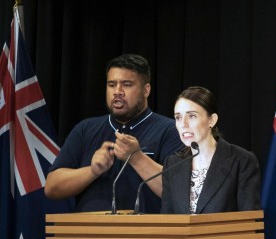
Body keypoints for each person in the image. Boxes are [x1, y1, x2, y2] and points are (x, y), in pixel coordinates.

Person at [45, 54, 183, 213]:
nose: (117, 91)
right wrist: (92, 171)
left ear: (146, 90)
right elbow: (51, 187)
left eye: (127, 84)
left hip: (147, 235)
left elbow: (179, 193)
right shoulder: (85, 129)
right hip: (89, 234)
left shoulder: (171, 130)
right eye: (112, 84)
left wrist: (137, 157)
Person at [160, 86, 261, 214]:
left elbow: (249, 221)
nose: (183, 124)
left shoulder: (241, 161)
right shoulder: (172, 164)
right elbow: (167, 220)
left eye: (191, 116)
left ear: (211, 120)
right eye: (178, 117)